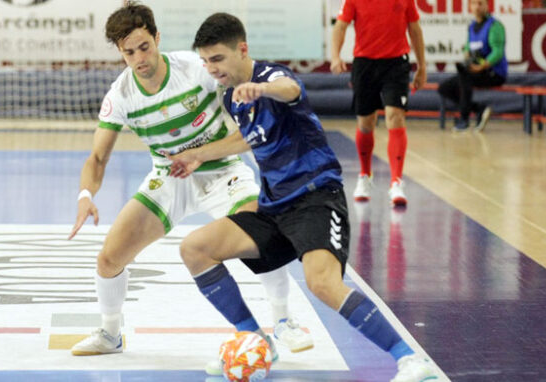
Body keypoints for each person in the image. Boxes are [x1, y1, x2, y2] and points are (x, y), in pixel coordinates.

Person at [167, 13, 437, 382]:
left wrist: (262, 90)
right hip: (275, 206)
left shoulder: (272, 78)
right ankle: (255, 339)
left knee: (322, 283)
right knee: (195, 248)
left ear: (242, 49)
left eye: (218, 59)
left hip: (315, 197)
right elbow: (249, 137)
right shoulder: (232, 97)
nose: (212, 69)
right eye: (206, 61)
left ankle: (409, 359)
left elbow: (289, 90)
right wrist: (200, 154)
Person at [68, 2, 313, 357]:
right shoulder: (120, 96)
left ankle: (282, 320)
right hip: (169, 178)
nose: (140, 59)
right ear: (120, 54)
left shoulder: (196, 70)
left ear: (157, 38)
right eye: (129, 52)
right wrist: (85, 195)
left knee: (261, 233)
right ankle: (111, 333)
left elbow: (250, 124)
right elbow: (97, 158)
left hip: (223, 171)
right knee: (108, 258)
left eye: (144, 47)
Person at [330, 0, 426, 207]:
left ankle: (396, 181)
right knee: (366, 123)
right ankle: (365, 175)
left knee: (396, 116)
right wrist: (335, 56)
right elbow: (340, 26)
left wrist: (422, 66)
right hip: (365, 63)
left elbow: (415, 29)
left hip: (396, 64)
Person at [437, 0, 507, 132]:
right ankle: (479, 109)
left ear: (487, 6)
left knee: (465, 77)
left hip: (494, 73)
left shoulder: (495, 26)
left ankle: (464, 120)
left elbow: (498, 51)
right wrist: (467, 57)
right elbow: (467, 48)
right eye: (474, 3)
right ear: (470, 6)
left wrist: (483, 66)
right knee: (444, 88)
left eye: (480, 3)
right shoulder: (472, 27)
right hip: (475, 71)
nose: (477, 7)